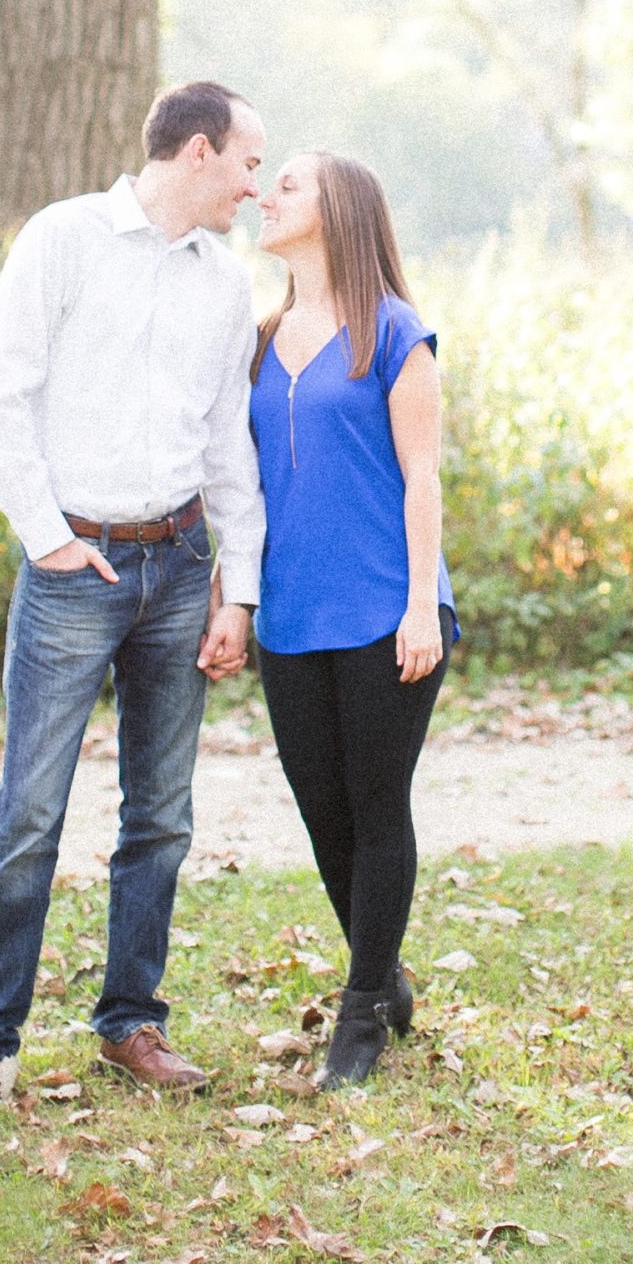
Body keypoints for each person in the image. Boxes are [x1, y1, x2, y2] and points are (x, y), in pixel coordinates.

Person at [0, 81, 266, 1120]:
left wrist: (236, 593)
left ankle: (131, 1022)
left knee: (159, 816)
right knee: (29, 814)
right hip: (75, 566)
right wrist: (48, 538)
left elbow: (228, 443)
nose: (255, 187)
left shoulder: (224, 280)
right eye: (250, 164)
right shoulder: (63, 238)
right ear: (200, 151)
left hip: (177, 567)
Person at [252, 149, 456, 1090]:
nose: (266, 193)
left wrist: (421, 604)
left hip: (386, 612)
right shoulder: (259, 339)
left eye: (288, 183)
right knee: (322, 810)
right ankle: (387, 976)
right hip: (292, 619)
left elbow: (422, 476)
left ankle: (362, 1013)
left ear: (338, 212)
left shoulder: (394, 332)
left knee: (377, 810)